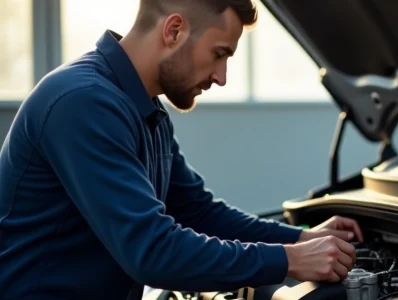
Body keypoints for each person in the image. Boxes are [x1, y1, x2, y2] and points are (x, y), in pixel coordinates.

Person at [0, 0, 364, 299]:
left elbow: (198, 212)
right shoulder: (81, 102)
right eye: (220, 54)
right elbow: (153, 251)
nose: (222, 77)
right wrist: (289, 260)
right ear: (173, 31)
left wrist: (304, 238)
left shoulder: (144, 109)